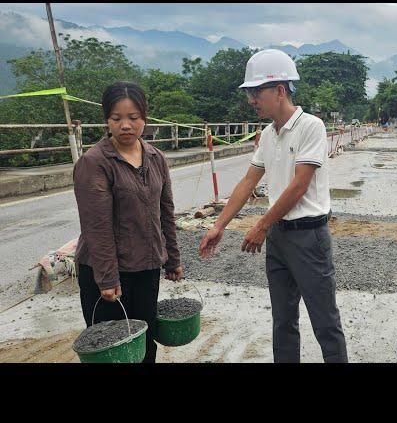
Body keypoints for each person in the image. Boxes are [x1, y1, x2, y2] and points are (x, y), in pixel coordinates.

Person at [199, 49, 348, 363]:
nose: (252, 100)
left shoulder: (311, 127)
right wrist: (218, 225)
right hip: (279, 237)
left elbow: (299, 185)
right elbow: (247, 182)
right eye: (250, 93)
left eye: (257, 92)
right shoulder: (267, 134)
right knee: (283, 321)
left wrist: (260, 225)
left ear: (280, 91)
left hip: (309, 237)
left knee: (325, 322)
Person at [73, 81, 183, 363]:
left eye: (133, 118)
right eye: (116, 118)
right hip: (108, 271)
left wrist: (172, 259)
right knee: (113, 347)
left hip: (146, 268)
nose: (125, 125)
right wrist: (107, 278)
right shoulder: (95, 162)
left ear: (144, 118)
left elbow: (166, 213)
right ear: (106, 120)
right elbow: (97, 227)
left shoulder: (156, 157)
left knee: (145, 342)